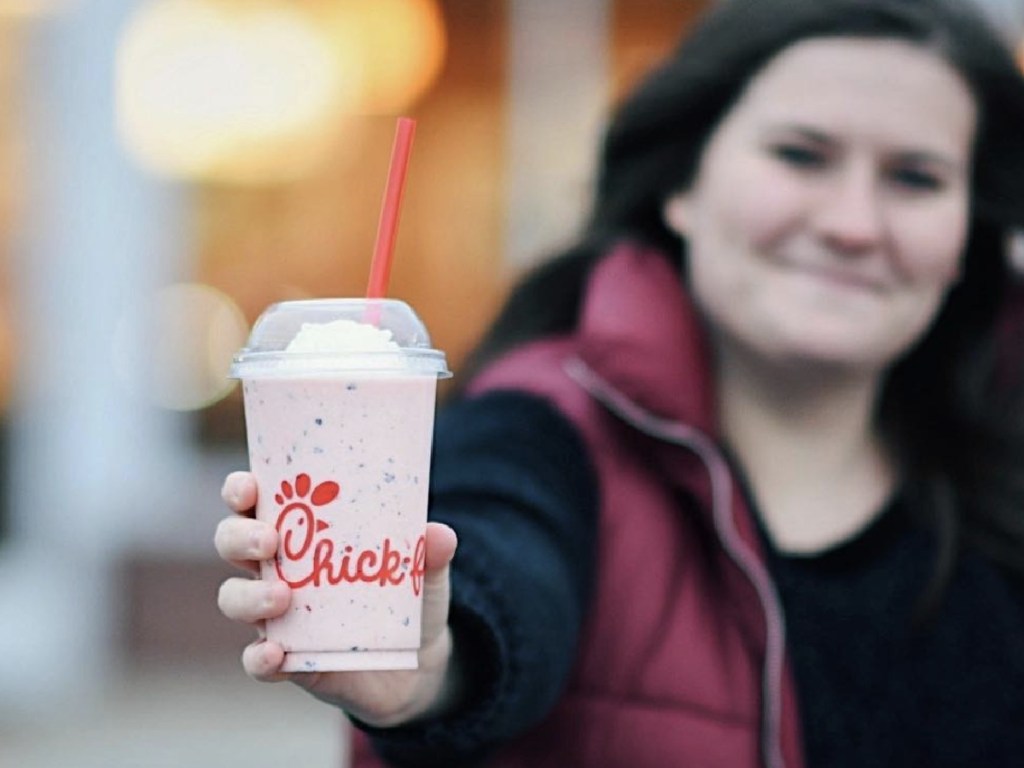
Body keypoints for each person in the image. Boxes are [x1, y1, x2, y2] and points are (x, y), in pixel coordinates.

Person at [214, 0, 1024, 765]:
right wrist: (433, 660)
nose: (853, 223)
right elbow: (501, 556)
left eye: (916, 178)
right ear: (682, 186)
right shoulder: (538, 426)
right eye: (799, 155)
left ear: (969, 234)